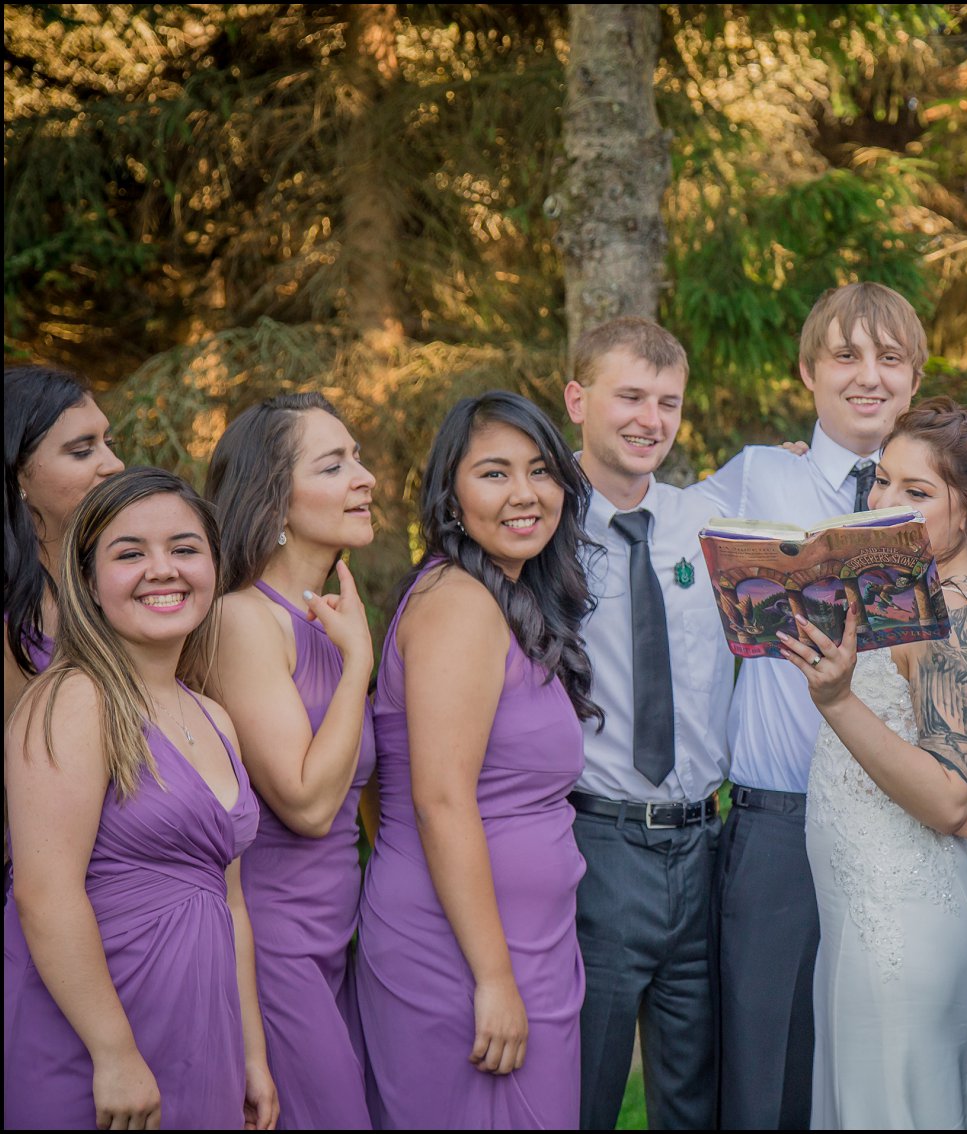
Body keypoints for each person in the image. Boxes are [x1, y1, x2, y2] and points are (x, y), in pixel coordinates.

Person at [694, 281, 925, 1128]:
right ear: (806, 371)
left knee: (882, 1061)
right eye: (845, 356)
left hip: (900, 824)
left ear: (913, 377)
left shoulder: (934, 483)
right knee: (769, 1066)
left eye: (889, 359)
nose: (868, 376)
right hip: (777, 824)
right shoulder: (756, 474)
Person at [779, 396, 967, 1128]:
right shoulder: (907, 590)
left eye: (916, 492)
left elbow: (953, 801)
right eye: (881, 481)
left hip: (902, 916)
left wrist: (837, 701)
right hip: (860, 908)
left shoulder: (951, 608)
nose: (885, 503)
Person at [3, 467, 277, 1129]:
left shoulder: (214, 715)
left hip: (201, 1032)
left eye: (184, 548)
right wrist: (113, 1051)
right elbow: (45, 892)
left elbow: (231, 903)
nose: (163, 570)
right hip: (97, 1037)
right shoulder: (73, 700)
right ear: (90, 582)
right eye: (130, 554)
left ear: (213, 565)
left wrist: (251, 1053)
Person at [356, 391, 600, 1128]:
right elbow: (436, 799)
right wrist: (492, 978)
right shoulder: (458, 603)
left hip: (523, 942)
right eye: (494, 474)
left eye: (540, 471)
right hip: (463, 955)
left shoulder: (506, 599)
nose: (525, 494)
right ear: (452, 497)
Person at [562, 317, 732, 1129]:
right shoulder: (539, 526)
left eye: (666, 402)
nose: (648, 420)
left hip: (704, 843)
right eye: (628, 396)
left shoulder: (704, 519)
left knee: (693, 1096)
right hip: (597, 841)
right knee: (585, 1089)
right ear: (577, 398)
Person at [202, 393, 378, 1129]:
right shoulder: (244, 618)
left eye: (358, 457)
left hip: (338, 935)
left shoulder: (327, 609)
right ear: (273, 494)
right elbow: (306, 803)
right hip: (274, 943)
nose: (364, 477)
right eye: (333, 464)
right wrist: (360, 661)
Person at [3, 364, 124, 722]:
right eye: (83, 451)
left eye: (109, 443)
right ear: (18, 473)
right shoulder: (12, 625)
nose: (115, 464)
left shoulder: (123, 576)